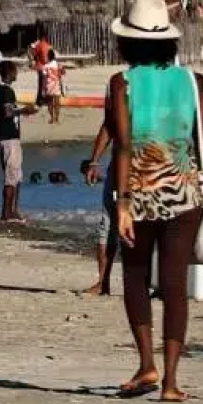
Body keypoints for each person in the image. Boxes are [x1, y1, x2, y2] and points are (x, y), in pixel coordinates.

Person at [106, 0, 203, 403]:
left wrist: (121, 203)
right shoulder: (194, 81)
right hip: (185, 194)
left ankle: (146, 363)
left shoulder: (122, 83)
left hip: (138, 195)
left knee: (135, 277)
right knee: (174, 284)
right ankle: (170, 381)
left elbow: (122, 146)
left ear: (128, 43)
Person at [0, 60, 37, 224]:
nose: (16, 73)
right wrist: (24, 110)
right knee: (11, 176)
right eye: (15, 71)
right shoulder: (4, 91)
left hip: (10, 137)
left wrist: (23, 111)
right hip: (7, 138)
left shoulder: (4, 90)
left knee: (17, 176)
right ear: (9, 73)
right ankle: (6, 213)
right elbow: (7, 111)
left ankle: (13, 211)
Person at [80, 123, 118, 296]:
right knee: (108, 228)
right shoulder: (119, 97)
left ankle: (147, 284)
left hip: (149, 169)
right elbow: (108, 125)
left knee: (147, 229)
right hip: (119, 169)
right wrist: (94, 162)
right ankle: (103, 282)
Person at [28, 31, 53, 103]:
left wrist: (33, 61)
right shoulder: (46, 45)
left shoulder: (38, 45)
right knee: (44, 83)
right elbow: (46, 58)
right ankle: (43, 99)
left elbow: (32, 53)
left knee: (41, 83)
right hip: (44, 66)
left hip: (39, 66)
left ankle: (39, 99)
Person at [42, 57, 65, 125]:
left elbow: (44, 78)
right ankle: (56, 119)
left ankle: (52, 118)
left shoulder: (46, 66)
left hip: (49, 86)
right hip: (56, 85)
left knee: (50, 103)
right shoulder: (58, 65)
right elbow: (62, 74)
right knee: (57, 104)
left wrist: (43, 89)